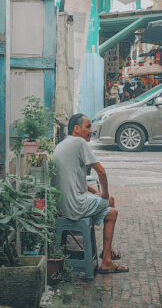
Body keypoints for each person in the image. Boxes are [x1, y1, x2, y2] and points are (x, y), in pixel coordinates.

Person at [53, 113, 128, 273]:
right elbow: (101, 172)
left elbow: (76, 181)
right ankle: (107, 259)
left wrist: (96, 192)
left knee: (111, 212)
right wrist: (105, 194)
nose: (91, 131)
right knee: (111, 201)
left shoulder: (61, 145)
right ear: (76, 128)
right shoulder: (79, 143)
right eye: (88, 127)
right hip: (76, 206)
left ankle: (107, 254)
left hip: (62, 206)